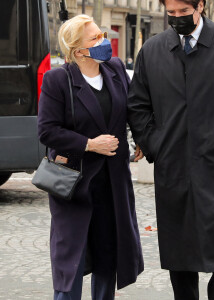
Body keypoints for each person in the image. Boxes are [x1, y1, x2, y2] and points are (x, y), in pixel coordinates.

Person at [127, 0, 214, 299]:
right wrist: (155, 145)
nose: (176, 18)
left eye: (183, 12)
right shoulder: (152, 50)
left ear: (200, 5)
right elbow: (137, 104)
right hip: (173, 166)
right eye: (171, 13)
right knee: (180, 252)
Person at [38, 15, 144, 300]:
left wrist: (141, 138)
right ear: (77, 50)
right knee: (70, 260)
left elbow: (131, 108)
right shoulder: (57, 79)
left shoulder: (116, 69)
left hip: (113, 182)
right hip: (73, 184)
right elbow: (47, 131)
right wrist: (88, 144)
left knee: (107, 257)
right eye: (95, 38)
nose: (104, 42)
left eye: (102, 34)